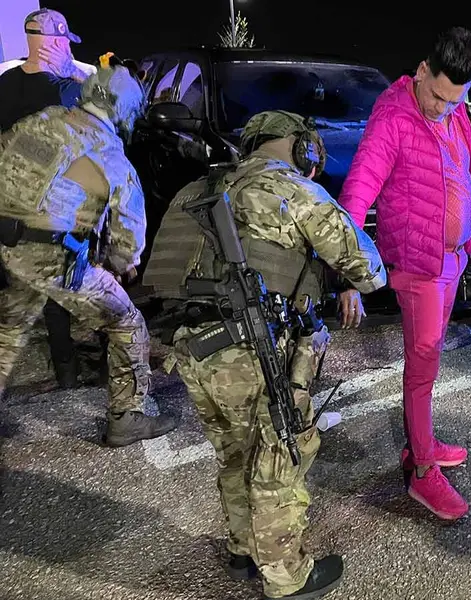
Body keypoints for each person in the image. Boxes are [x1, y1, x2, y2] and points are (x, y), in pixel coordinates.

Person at [144, 111, 386, 599]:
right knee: (278, 457)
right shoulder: (294, 191)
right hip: (253, 350)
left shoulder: (194, 191)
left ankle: (243, 550)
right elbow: (370, 270)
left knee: (234, 452)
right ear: (302, 148)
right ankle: (286, 575)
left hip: (192, 350)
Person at [338, 27, 471, 521]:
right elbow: (358, 191)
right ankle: (422, 471)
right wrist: (349, 271)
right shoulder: (393, 118)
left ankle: (419, 443)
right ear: (423, 70)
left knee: (429, 361)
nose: (443, 109)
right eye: (438, 97)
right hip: (419, 264)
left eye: (455, 101)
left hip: (452, 259)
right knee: (422, 363)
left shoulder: (456, 109)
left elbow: (461, 173)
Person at [0, 64, 177, 447]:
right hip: (55, 259)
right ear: (124, 111)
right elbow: (128, 239)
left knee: (7, 330)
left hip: (9, 247)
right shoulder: (109, 154)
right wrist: (118, 263)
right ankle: (127, 418)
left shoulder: (40, 122)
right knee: (127, 323)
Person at [0, 8, 91, 389]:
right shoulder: (67, 89)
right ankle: (67, 372)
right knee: (56, 295)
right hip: (52, 209)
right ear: (54, 41)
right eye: (65, 41)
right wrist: (75, 73)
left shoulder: (5, 83)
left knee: (15, 296)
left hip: (9, 208)